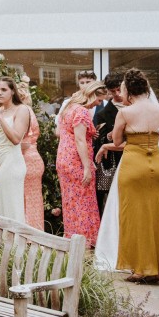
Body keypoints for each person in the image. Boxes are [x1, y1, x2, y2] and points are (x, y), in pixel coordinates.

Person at [112, 69, 159, 282]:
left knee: (133, 217)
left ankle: (139, 269)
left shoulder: (125, 113)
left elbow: (118, 141)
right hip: (156, 166)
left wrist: (113, 134)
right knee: (158, 216)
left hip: (133, 166)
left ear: (128, 89)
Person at [55, 80, 107, 247]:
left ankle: (72, 239)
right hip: (75, 160)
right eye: (99, 100)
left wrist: (90, 134)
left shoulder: (68, 107)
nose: (98, 104)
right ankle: (84, 241)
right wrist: (87, 166)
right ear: (92, 95)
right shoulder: (82, 111)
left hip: (63, 158)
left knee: (71, 202)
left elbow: (65, 132)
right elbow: (79, 140)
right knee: (83, 202)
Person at [0, 77, 28, 223]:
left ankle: (16, 243)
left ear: (12, 91)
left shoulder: (21, 109)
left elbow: (16, 139)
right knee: (1, 203)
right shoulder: (0, 110)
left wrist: (0, 118)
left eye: (3, 90)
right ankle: (5, 241)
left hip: (12, 160)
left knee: (12, 204)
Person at [93, 72, 125, 215]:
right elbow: (98, 140)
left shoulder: (135, 106)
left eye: (119, 89)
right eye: (113, 91)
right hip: (115, 161)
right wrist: (108, 137)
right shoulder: (103, 114)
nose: (117, 94)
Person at [18, 84, 45, 231]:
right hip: (32, 157)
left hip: (27, 158)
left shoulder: (23, 112)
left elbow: (24, 141)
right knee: (31, 199)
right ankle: (34, 232)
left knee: (27, 199)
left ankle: (30, 234)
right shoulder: (28, 111)